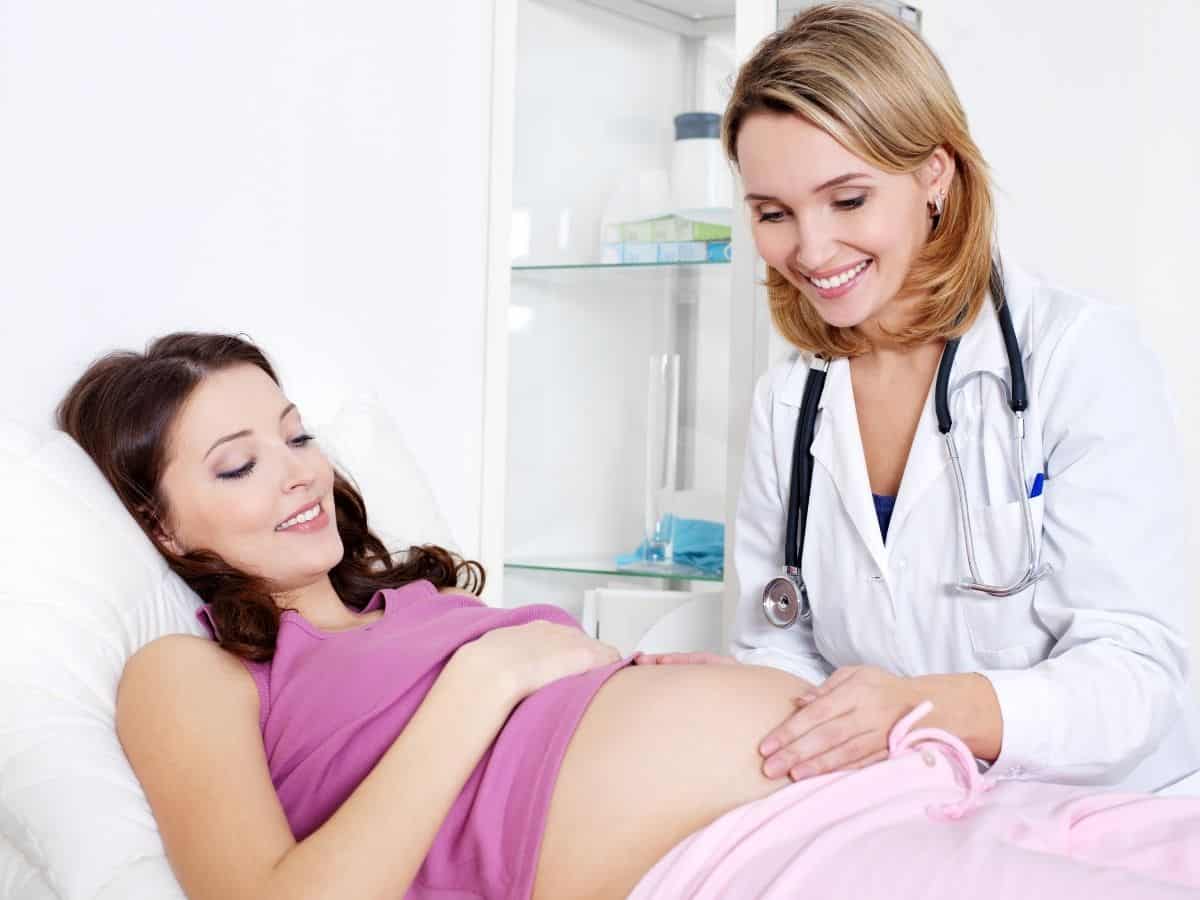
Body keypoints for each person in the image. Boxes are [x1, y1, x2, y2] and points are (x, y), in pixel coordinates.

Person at [60, 331, 1200, 899]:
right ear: (162, 529)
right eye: (237, 464)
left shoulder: (402, 601)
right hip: (744, 865)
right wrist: (486, 682)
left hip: (906, 782)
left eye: (298, 434)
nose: (298, 473)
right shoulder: (187, 671)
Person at [641, 2, 1200, 794]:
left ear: (933, 174)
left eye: (848, 199)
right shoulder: (790, 401)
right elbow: (782, 647)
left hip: (1105, 816)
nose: (811, 249)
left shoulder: (1077, 356)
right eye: (773, 214)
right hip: (908, 814)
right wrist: (737, 695)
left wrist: (919, 708)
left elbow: (1134, 679)